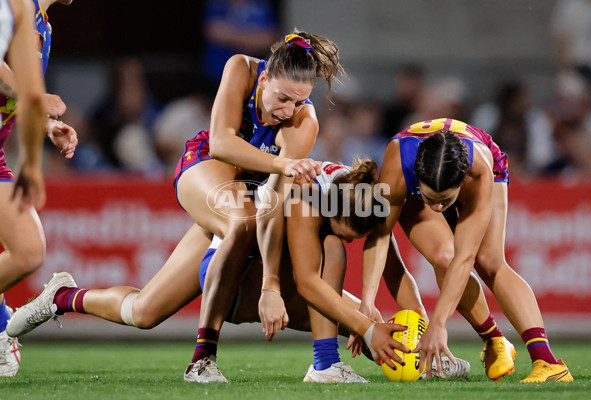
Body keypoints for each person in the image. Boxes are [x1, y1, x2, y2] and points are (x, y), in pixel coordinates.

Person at [7, 31, 341, 375]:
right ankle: (203, 359)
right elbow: (222, 142)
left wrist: (274, 286)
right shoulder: (242, 68)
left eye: (300, 103)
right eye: (283, 98)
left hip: (244, 199)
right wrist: (283, 164)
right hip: (206, 164)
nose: (289, 111)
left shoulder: (304, 124)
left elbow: (271, 202)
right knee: (241, 221)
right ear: (267, 78)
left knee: (144, 312)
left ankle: (62, 296)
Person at [8, 159, 470, 383]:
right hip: (235, 260)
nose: (350, 239)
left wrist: (427, 332)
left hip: (262, 264)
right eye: (349, 232)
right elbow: (310, 282)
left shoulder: (361, 202)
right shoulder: (311, 201)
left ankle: (370, 363)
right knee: (143, 312)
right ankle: (61, 297)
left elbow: (396, 275)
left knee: (370, 323)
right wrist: (362, 324)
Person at [360, 117, 573, 383]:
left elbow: (466, 258)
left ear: (462, 182)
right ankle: (495, 340)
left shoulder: (479, 170)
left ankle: (548, 362)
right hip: (414, 166)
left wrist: (438, 323)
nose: (439, 209)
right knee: (443, 257)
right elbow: (380, 236)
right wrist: (366, 304)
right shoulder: (398, 166)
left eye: (446, 200)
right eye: (430, 199)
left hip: (482, 157)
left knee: (489, 262)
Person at [0, 0, 76, 377]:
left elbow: (19, 93)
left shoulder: (42, 25)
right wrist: (35, 98)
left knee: (28, 251)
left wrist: (46, 124)